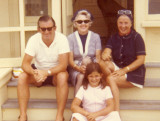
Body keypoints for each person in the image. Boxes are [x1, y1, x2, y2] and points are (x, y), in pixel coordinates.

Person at [17, 15, 70, 121]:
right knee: (22, 77)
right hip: (39, 72)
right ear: (38, 29)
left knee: (63, 76)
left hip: (55, 72)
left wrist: (47, 72)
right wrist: (34, 73)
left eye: (49, 28)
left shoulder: (62, 39)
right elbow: (25, 64)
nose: (46, 32)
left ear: (55, 28)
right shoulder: (33, 39)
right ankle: (23, 115)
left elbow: (63, 65)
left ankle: (59, 116)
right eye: (43, 29)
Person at [101, 9, 146, 111]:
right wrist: (105, 54)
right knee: (103, 64)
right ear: (117, 23)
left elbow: (141, 60)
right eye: (120, 23)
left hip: (133, 73)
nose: (123, 26)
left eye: (126, 23)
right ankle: (106, 94)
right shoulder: (114, 37)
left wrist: (124, 70)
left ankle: (115, 112)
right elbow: (107, 51)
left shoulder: (137, 37)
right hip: (119, 69)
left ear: (131, 23)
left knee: (109, 79)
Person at [68, 9, 102, 95]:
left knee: (93, 75)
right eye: (79, 22)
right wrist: (78, 68)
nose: (83, 24)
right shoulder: (70, 38)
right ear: (75, 24)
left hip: (92, 65)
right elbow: (70, 60)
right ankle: (77, 103)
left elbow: (98, 57)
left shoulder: (96, 37)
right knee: (81, 76)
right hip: (76, 67)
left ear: (90, 23)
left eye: (86, 21)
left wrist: (90, 68)